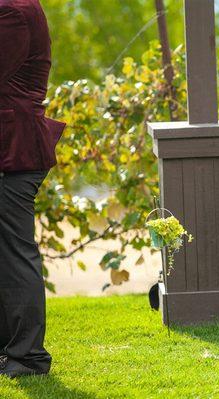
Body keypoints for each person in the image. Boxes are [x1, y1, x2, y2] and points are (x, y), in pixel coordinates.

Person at [0, 0, 65, 377]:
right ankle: (11, 352)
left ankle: (27, 357)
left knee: (14, 251)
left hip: (14, 148)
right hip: (11, 145)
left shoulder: (13, 11)